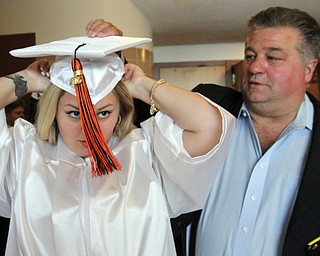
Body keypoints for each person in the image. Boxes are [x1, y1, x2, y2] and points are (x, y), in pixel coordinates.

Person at [90, 6, 320, 256]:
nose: (254, 68)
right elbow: (135, 118)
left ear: (309, 69)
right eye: (251, 55)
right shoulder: (207, 107)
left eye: (272, 58)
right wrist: (113, 58)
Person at [0, 35, 235, 255]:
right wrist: (27, 80)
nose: (87, 129)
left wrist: (142, 85)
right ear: (54, 111)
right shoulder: (23, 155)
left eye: (103, 113)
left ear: (120, 113)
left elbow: (211, 127)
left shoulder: (146, 153)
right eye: (73, 113)